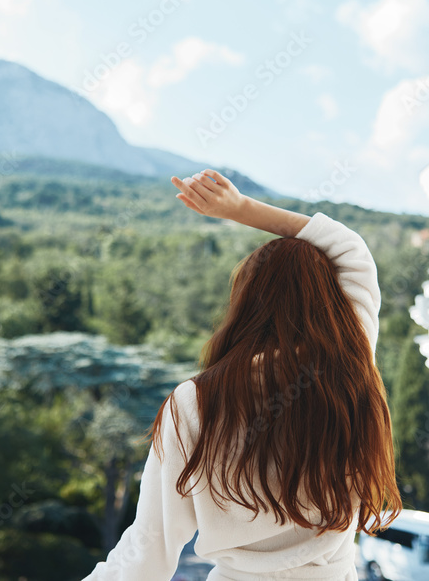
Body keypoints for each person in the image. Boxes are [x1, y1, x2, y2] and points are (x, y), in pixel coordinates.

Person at [81, 169, 402, 581]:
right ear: (334, 306)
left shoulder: (194, 402)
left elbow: (150, 548)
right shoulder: (349, 369)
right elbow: (347, 247)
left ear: (246, 305)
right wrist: (240, 208)